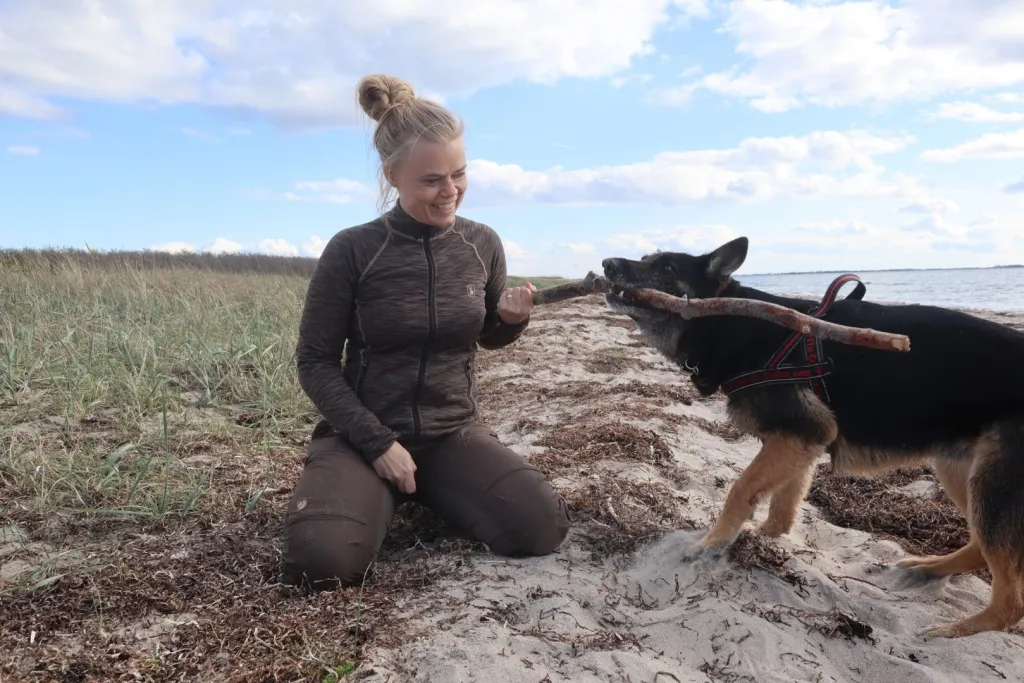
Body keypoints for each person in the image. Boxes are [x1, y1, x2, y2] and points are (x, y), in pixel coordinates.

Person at [281, 73, 571, 589]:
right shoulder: (353, 250)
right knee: (321, 565)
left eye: (459, 174)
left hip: (450, 433)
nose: (450, 192)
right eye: (432, 179)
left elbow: (485, 336)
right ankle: (373, 492)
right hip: (360, 438)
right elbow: (315, 362)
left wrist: (509, 321)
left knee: (539, 528)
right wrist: (376, 444)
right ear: (392, 175)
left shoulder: (481, 243)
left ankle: (427, 490)